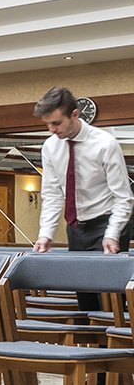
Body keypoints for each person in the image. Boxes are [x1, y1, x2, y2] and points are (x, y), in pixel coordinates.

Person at [32, 86, 133, 313]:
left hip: (107, 223)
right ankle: (90, 336)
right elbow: (52, 194)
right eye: (47, 124)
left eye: (56, 123)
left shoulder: (105, 143)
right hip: (76, 227)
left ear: (75, 114)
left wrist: (112, 233)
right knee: (85, 299)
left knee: (113, 303)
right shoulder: (50, 147)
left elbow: (123, 197)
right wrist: (45, 234)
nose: (51, 129)